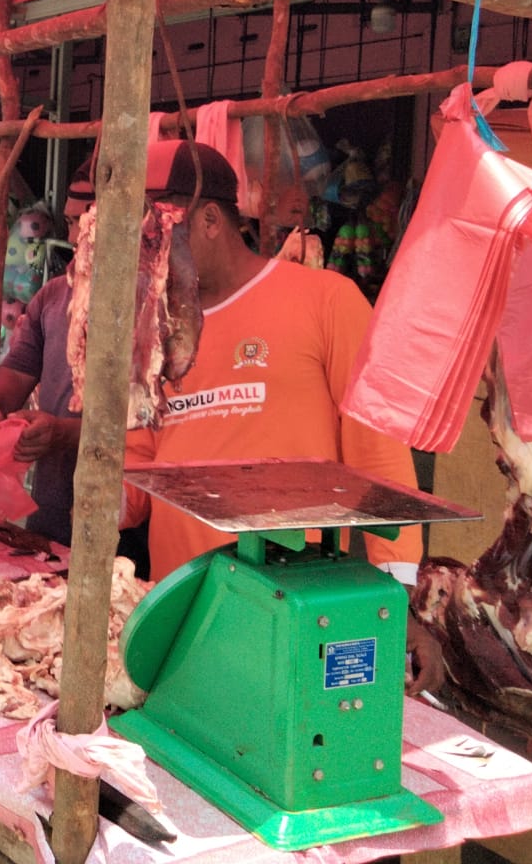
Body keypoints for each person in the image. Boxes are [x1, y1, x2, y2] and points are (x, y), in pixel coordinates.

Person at [120, 139, 443, 693]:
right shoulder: (153, 327)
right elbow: (139, 469)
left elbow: (380, 457)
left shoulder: (327, 301)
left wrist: (396, 598)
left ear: (211, 220)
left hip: (295, 609)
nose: (143, 252)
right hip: (176, 606)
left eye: (154, 234)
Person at [0, 162, 149, 570]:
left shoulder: (154, 305)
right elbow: (8, 382)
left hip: (127, 521)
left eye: (85, 223)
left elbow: (153, 427)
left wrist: (63, 434)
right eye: (69, 222)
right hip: (52, 510)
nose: (71, 237)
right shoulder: (52, 296)